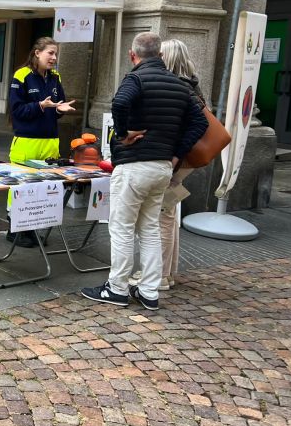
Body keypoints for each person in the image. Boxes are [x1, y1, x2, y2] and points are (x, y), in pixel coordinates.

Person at [81, 32, 208, 311]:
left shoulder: (135, 78)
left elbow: (119, 103)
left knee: (122, 228)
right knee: (149, 228)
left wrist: (123, 135)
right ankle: (149, 291)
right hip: (162, 167)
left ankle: (117, 288)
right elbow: (200, 123)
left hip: (134, 166)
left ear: (132, 55)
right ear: (160, 55)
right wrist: (176, 155)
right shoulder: (179, 85)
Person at [7, 37, 76, 247]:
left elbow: (57, 106)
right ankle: (14, 229)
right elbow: (17, 110)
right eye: (50, 53)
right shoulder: (22, 75)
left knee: (43, 189)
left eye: (56, 54)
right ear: (37, 53)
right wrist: (40, 106)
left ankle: (30, 229)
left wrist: (59, 110)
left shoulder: (55, 77)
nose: (54, 58)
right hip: (27, 142)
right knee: (21, 186)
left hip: (50, 142)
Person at [156, 38, 207, 290]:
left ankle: (159, 276)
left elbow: (194, 126)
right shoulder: (192, 85)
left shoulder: (177, 88)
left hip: (176, 159)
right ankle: (168, 272)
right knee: (170, 212)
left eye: (160, 54)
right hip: (185, 160)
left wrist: (175, 156)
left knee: (162, 215)